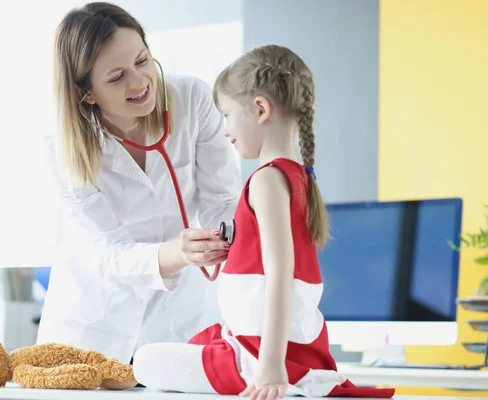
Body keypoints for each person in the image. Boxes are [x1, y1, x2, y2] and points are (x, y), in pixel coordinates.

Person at [132, 45, 396, 399]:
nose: (226, 130)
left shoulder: (266, 180)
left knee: (145, 360)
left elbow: (280, 276)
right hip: (278, 347)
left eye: (226, 115)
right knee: (191, 343)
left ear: (259, 109)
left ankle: (263, 369)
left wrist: (270, 368)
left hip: (261, 355)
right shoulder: (298, 177)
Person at [36, 2, 241, 365]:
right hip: (91, 325)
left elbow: (221, 201)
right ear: (85, 91)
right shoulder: (62, 145)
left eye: (142, 60)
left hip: (174, 321)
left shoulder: (192, 100)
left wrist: (230, 232)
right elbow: (107, 251)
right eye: (117, 77)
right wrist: (177, 253)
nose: (140, 82)